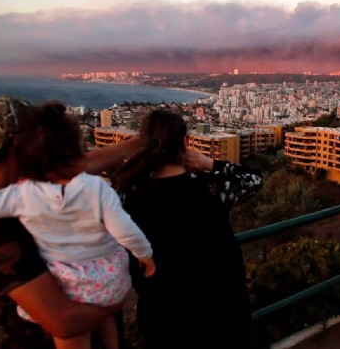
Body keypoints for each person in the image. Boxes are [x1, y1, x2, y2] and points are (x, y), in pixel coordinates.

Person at [0, 101, 156, 349]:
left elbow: (79, 166)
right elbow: (65, 323)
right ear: (22, 147)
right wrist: (113, 301)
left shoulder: (29, 186)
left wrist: (139, 142)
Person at [112, 110, 263, 349]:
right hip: (223, 314)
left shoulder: (129, 197)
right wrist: (210, 164)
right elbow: (253, 179)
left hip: (165, 320)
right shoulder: (210, 189)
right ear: (185, 142)